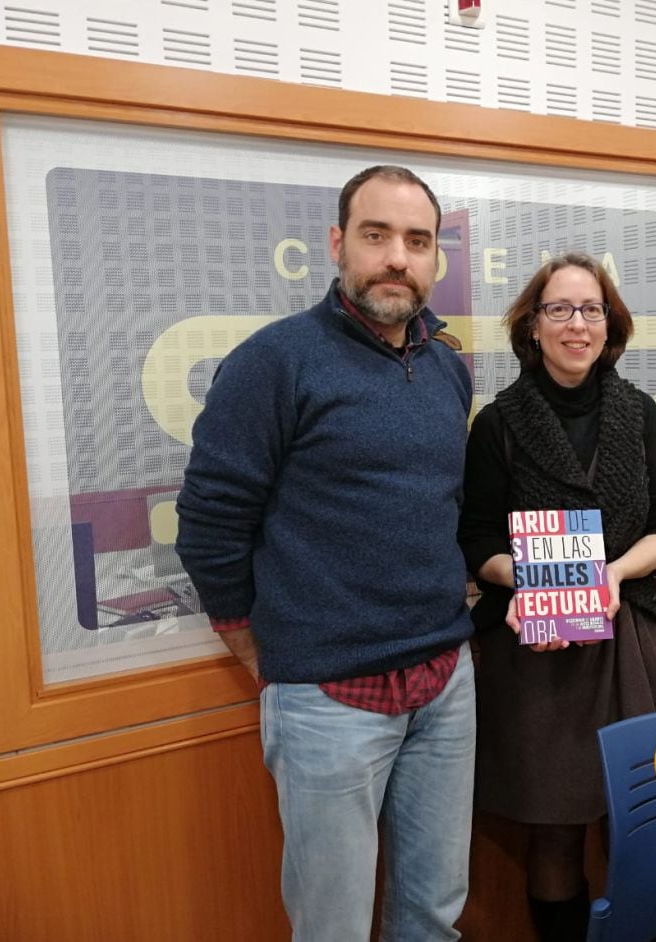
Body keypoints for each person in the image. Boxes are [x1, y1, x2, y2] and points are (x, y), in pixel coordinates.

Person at [175, 165, 475, 942]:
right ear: (339, 244)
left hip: (446, 683)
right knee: (332, 928)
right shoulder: (275, 362)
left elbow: (438, 504)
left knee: (434, 914)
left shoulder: (448, 368)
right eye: (377, 236)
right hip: (327, 699)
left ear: (437, 256)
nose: (397, 259)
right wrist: (253, 645)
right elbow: (209, 520)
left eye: (418, 241)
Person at [458, 252, 656, 942]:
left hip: (627, 642)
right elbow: (474, 541)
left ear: (609, 325)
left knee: (645, 823)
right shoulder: (497, 424)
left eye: (591, 310)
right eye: (559, 309)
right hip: (537, 654)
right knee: (554, 837)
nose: (576, 324)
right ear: (532, 327)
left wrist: (614, 574)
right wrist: (533, 580)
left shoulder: (638, 410)